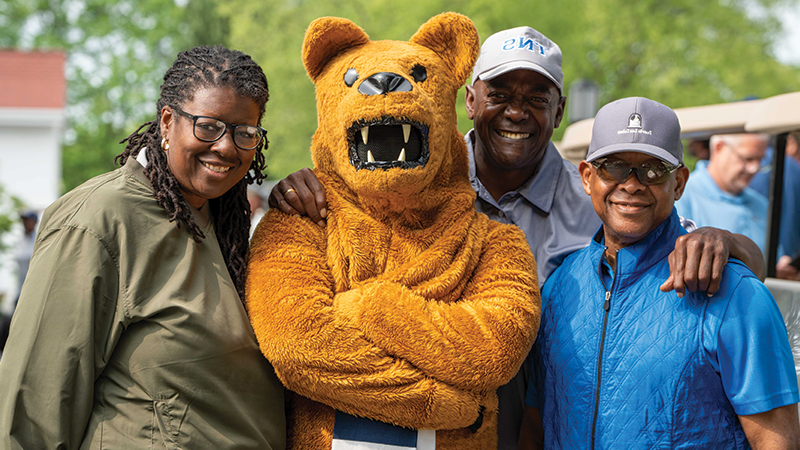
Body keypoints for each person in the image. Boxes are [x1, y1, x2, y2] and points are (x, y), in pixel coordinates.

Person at [268, 27, 766, 450]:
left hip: (538, 414)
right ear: (469, 100)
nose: (516, 112)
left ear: (560, 109)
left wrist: (725, 241)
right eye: (501, 95)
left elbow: (679, 244)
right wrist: (307, 182)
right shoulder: (412, 172)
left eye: (536, 99)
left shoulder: (598, 194)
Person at [0, 45, 286, 449]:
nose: (226, 147)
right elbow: (35, 406)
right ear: (168, 121)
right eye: (208, 126)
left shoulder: (227, 224)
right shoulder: (97, 220)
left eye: (245, 132)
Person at [524, 97, 800, 449]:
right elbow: (536, 424)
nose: (633, 183)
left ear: (679, 182)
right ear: (587, 178)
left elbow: (779, 442)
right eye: (614, 166)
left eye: (653, 169)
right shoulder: (560, 287)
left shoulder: (736, 293)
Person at [676, 133, 771, 253]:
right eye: (748, 159)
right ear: (719, 147)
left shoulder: (761, 204)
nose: (754, 168)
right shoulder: (681, 197)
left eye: (760, 160)